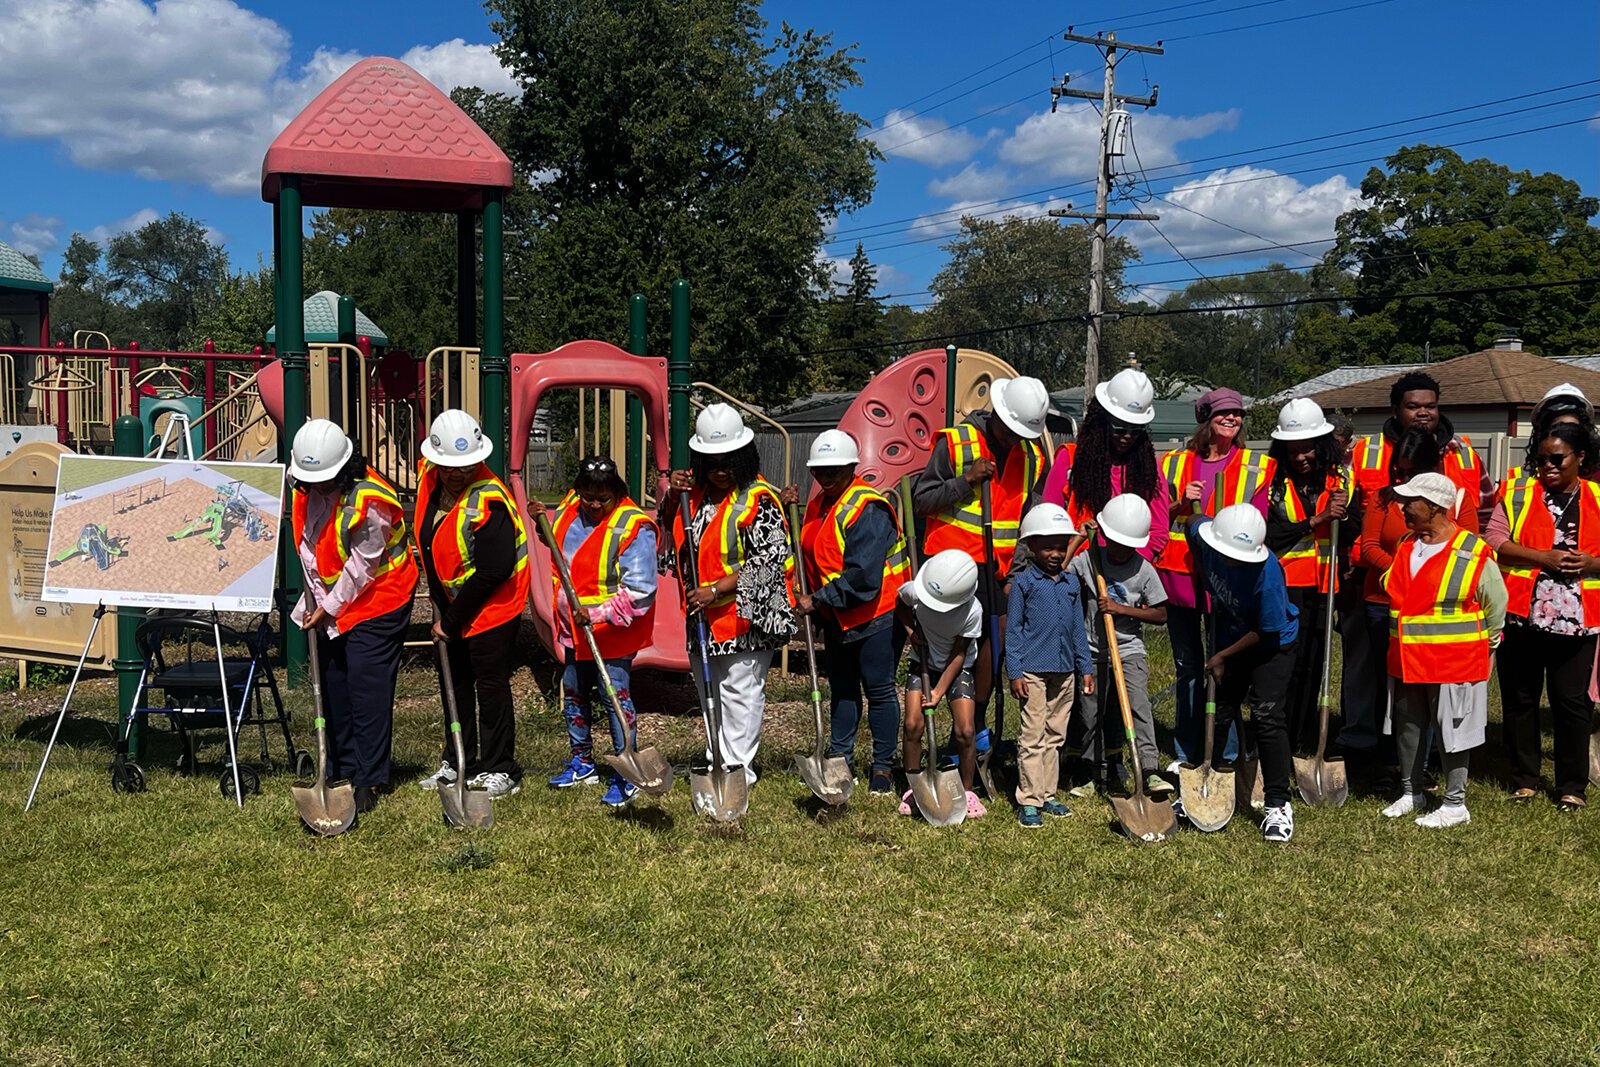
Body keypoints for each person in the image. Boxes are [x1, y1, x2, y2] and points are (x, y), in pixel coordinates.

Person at [1343, 372, 1491, 768]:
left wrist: (1431, 576)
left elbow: (1473, 532)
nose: (1423, 412)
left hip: (1444, 605)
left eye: (1430, 405)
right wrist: (1403, 571)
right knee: (1377, 679)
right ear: (1396, 409)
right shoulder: (1367, 454)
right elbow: (1363, 534)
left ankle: (1431, 763)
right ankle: (1378, 757)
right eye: (1413, 405)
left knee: (1432, 687)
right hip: (1380, 594)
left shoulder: (1463, 454)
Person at [912, 375, 1051, 779]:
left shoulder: (1033, 458)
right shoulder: (955, 443)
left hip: (998, 572)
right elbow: (921, 499)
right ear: (997, 414)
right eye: (1009, 430)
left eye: (1021, 433)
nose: (1013, 439)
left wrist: (1018, 571)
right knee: (944, 654)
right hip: (950, 571)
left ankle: (971, 737)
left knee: (991, 657)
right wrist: (966, 481)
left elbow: (1030, 521)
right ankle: (925, 735)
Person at [288, 418, 418, 816]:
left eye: (326, 481)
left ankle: (369, 777)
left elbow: (362, 567)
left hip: (381, 598)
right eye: (311, 482)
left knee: (366, 685)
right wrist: (312, 602)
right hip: (334, 601)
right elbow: (312, 548)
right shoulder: (306, 489)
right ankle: (340, 767)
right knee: (334, 683)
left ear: (345, 469)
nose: (317, 489)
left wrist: (328, 607)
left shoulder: (370, 502)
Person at [663, 403, 795, 787]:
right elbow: (668, 538)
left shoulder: (760, 498)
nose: (720, 470)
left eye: (727, 462)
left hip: (744, 615)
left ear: (743, 458)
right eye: (711, 462)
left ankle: (739, 769)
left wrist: (715, 590)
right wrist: (672, 496)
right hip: (702, 614)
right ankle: (716, 759)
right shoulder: (694, 495)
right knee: (709, 692)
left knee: (740, 693)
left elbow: (769, 559)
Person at [782, 430, 910, 796]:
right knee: (843, 690)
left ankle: (883, 768)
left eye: (834, 470)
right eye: (819, 470)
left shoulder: (867, 509)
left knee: (879, 689)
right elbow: (811, 550)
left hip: (875, 613)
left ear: (852, 467)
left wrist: (818, 600)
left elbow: (863, 577)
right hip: (838, 615)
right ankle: (840, 759)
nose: (826, 476)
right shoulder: (821, 503)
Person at [1155, 386, 1276, 771]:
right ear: (1205, 419)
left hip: (1227, 582)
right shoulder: (1174, 463)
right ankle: (1187, 749)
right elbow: (1157, 517)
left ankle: (1224, 750)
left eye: (1237, 414)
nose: (1232, 419)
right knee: (1188, 668)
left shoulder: (1258, 466)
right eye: (1223, 413)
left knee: (1222, 667)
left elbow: (1258, 524)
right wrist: (1179, 503)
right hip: (1180, 577)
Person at [413, 410, 530, 800]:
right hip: (453, 602)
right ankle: (459, 757)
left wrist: (452, 620)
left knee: (490, 685)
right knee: (455, 682)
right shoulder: (429, 479)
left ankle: (501, 767)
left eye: (464, 466)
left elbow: (494, 570)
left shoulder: (490, 499)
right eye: (447, 466)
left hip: (493, 607)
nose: (455, 473)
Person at [1381, 473, 1507, 828]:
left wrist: (1491, 645)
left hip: (1453, 659)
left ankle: (1455, 803)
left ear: (1435, 507)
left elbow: (1495, 604)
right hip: (1406, 656)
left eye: (1411, 501)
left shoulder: (1472, 550)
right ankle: (1411, 792)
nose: (1403, 507)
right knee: (1408, 724)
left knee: (1453, 729)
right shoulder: (1407, 543)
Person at [1486, 423, 1599, 811]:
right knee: (1520, 699)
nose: (1547, 466)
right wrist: (1543, 557)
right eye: (1540, 459)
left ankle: (1572, 786)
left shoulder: (1598, 497)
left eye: (1557, 458)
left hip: (1579, 619)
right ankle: (1524, 779)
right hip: (1522, 614)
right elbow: (1494, 541)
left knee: (1572, 702)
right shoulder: (1517, 493)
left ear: (1580, 458)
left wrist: (1591, 563)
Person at [548, 456, 659, 807]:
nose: (594, 505)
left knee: (615, 698)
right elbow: (556, 538)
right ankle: (582, 761)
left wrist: (596, 614)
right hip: (573, 629)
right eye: (588, 496)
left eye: (603, 499)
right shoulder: (571, 506)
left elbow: (642, 592)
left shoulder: (633, 527)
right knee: (574, 690)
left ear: (617, 493)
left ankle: (626, 771)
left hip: (612, 631)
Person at [1186, 503, 1300, 843]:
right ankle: (1208, 778)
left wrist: (1221, 655)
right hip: (1230, 633)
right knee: (1218, 711)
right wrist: (1204, 573)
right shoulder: (1205, 538)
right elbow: (1192, 521)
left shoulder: (1268, 575)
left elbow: (1266, 632)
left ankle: (1278, 803)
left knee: (1266, 715)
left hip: (1271, 645)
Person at [1067, 494, 1169, 798]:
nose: (1120, 550)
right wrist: (1077, 539)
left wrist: (1121, 609)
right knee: (1090, 712)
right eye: (1114, 541)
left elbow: (1161, 614)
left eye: (1127, 545)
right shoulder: (1090, 560)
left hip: (1129, 651)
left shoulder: (1144, 570)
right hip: (1092, 649)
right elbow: (1059, 573)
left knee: (1138, 706)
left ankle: (1148, 769)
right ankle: (1089, 771)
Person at [1265, 399, 1349, 752]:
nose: (1301, 457)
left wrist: (1345, 517)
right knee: (1284, 666)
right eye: (1294, 450)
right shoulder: (1271, 481)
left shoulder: (1338, 480)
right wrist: (1314, 521)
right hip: (1285, 585)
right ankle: (1273, 738)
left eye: (1308, 449)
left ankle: (1301, 743)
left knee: (1313, 668)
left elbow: (1355, 531)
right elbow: (1269, 534)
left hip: (1324, 585)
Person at [1005, 504, 1094, 828]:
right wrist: (1014, 672)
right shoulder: (1024, 585)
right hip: (1032, 672)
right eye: (1048, 546)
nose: (1056, 553)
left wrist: (1085, 667)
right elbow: (1013, 632)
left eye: (1061, 546)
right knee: (1032, 735)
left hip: (1065, 671)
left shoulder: (1071, 584)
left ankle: (1047, 793)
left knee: (1055, 735)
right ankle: (1029, 799)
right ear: (1031, 547)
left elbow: (1077, 630)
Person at [1041, 367, 1170, 560]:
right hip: (1074, 572)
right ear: (1101, 422)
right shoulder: (1069, 459)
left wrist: (1125, 567)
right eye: (1119, 429)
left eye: (1136, 431)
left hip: (1128, 577)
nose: (1127, 437)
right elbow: (1048, 524)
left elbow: (1158, 531)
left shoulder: (1149, 468)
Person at [898, 548, 985, 818]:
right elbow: (900, 604)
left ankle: (967, 791)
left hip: (957, 669)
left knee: (966, 731)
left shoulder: (973, 611)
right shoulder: (917, 590)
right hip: (922, 661)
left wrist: (938, 691)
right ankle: (915, 786)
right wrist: (912, 633)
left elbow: (960, 654)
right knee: (913, 724)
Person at [1503, 384, 1594, 481]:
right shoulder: (1516, 479)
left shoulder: (1596, 480)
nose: (1565, 437)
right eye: (1558, 430)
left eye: (1572, 431)